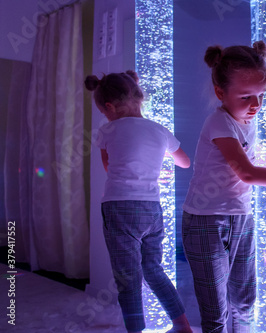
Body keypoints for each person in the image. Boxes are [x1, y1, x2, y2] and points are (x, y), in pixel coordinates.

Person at [182, 41, 266, 333]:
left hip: (242, 217)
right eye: (245, 97)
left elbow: (259, 159)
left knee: (245, 302)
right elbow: (248, 173)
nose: (255, 105)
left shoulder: (247, 121)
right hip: (205, 221)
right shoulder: (219, 123)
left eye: (260, 96)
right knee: (216, 312)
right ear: (220, 92)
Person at [85, 70, 193, 333]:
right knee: (153, 269)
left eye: (103, 111)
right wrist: (159, 163)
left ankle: (135, 329)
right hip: (152, 209)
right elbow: (185, 162)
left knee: (128, 277)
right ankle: (183, 325)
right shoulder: (159, 130)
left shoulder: (107, 130)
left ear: (108, 106)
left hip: (119, 207)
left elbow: (110, 167)